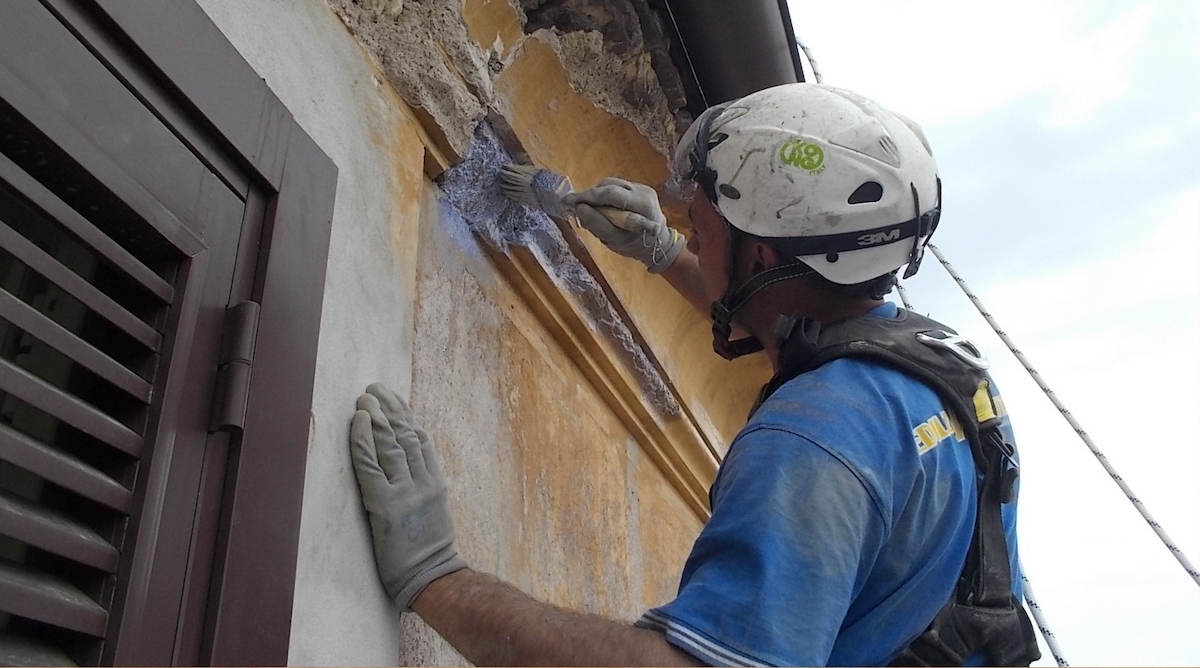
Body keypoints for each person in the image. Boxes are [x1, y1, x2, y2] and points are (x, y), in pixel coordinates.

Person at [350, 83, 1040, 666]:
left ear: (762, 255)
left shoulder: (809, 446)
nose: (685, 211)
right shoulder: (940, 371)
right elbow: (788, 320)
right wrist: (663, 252)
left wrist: (437, 578)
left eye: (702, 209)